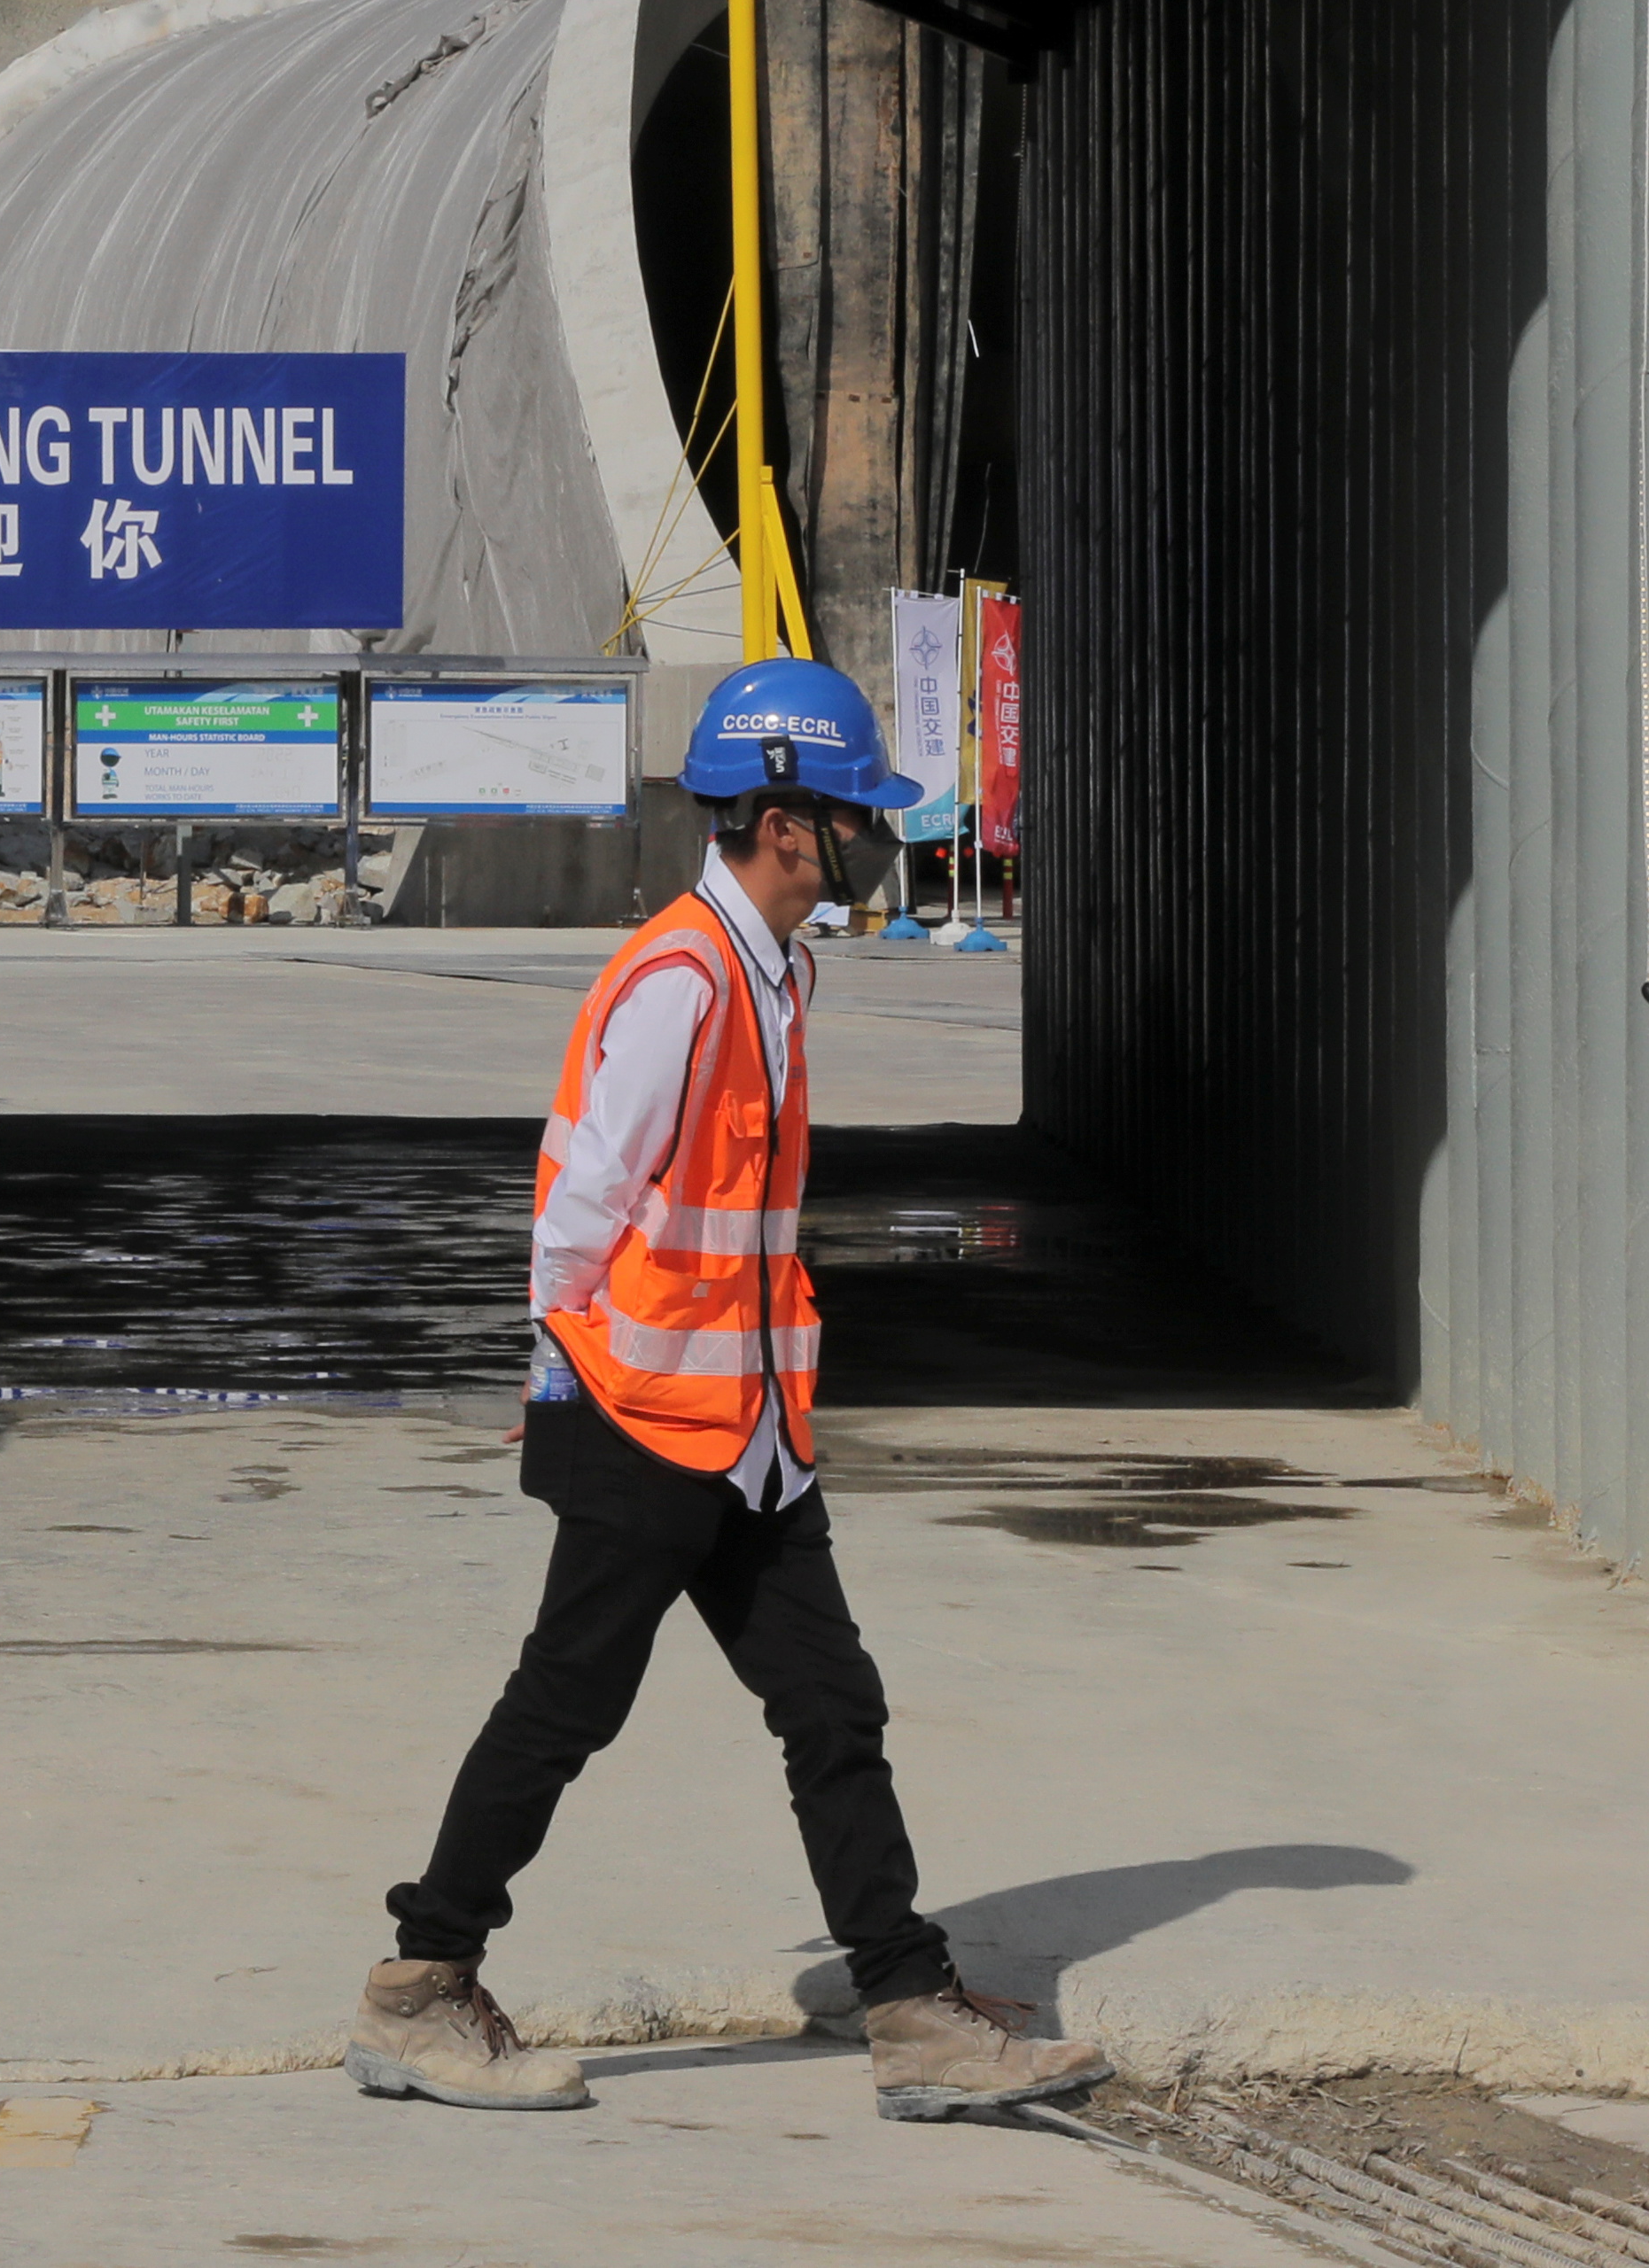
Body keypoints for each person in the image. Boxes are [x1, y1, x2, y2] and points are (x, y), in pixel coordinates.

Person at [348, 657, 1109, 2128]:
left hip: (748, 1432)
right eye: (849, 817)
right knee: (565, 1703)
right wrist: (569, 1373)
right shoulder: (681, 978)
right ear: (775, 816)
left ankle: (907, 2005)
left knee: (833, 1702)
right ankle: (419, 1986)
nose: (867, 844)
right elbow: (578, 1204)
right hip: (642, 1419)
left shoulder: (772, 966)